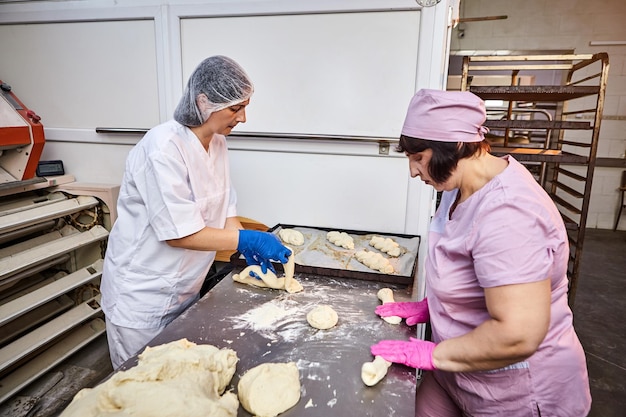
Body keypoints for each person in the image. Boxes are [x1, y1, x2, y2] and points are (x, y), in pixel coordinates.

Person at [371, 89, 591, 416]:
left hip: (515, 391)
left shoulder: (510, 215)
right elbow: (475, 271)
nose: (413, 172)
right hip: (456, 373)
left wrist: (431, 355)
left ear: (457, 146)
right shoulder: (458, 185)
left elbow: (516, 335)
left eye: (419, 158)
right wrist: (436, 306)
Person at [100, 55, 291, 369]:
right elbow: (179, 235)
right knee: (140, 388)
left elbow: (225, 209)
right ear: (204, 102)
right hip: (143, 295)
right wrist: (245, 240)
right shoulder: (162, 148)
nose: (243, 118)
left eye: (245, 107)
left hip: (186, 290)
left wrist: (240, 247)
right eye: (235, 108)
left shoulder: (218, 143)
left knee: (178, 385)